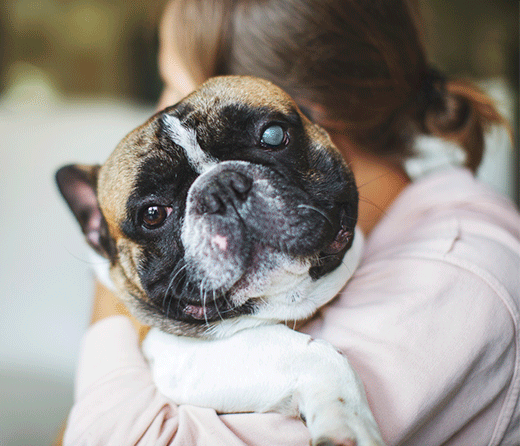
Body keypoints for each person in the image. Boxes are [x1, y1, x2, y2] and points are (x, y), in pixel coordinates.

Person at [63, 0, 520, 444]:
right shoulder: (403, 233)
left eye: (174, 90)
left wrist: (111, 285)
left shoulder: (448, 278)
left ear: (311, 107)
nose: (157, 114)